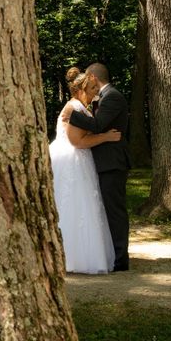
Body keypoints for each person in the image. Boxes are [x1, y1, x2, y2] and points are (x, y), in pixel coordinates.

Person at [49, 67, 121, 274]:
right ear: (80, 89)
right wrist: (106, 137)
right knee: (74, 205)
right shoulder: (74, 109)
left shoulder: (81, 107)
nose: (94, 93)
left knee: (84, 206)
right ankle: (72, 256)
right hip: (71, 160)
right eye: (91, 89)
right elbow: (77, 141)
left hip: (80, 161)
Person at [65, 63, 131, 272]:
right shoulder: (96, 99)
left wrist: (72, 114)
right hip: (101, 162)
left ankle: (120, 260)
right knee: (107, 210)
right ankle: (113, 255)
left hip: (112, 162)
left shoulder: (111, 96)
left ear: (92, 76)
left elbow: (98, 124)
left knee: (115, 211)